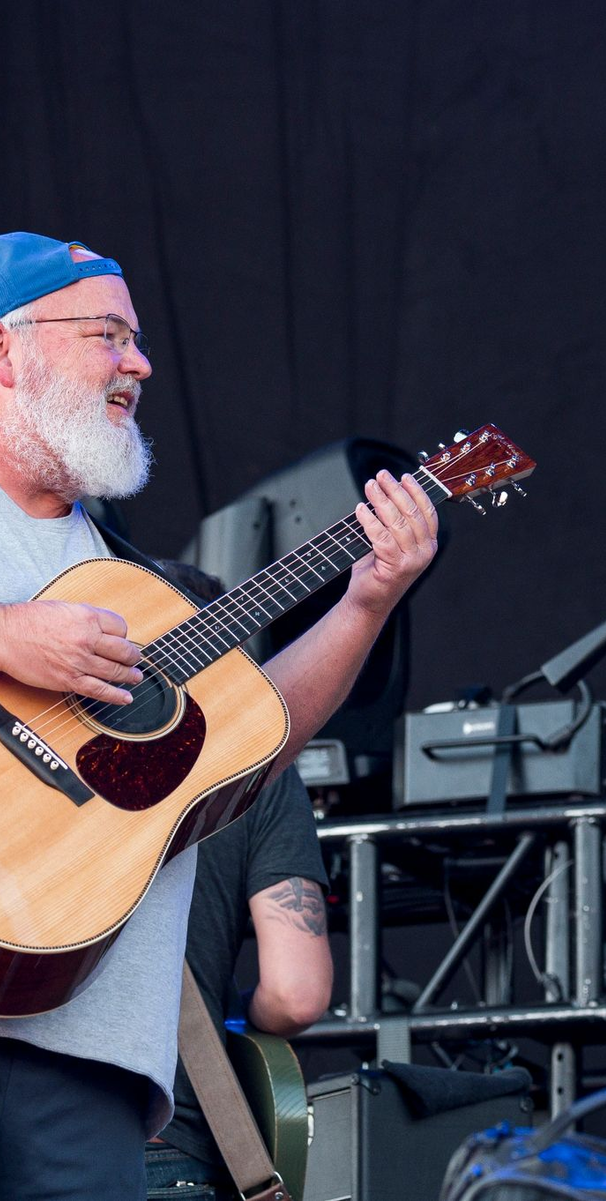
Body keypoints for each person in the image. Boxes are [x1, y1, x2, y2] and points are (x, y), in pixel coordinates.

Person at [0, 232, 438, 1199]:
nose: (140, 364)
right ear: (6, 353)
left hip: (86, 1052)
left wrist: (365, 601)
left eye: (140, 341)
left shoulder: (142, 588)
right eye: (109, 335)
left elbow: (257, 733)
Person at [142, 561, 333, 1201]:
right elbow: (296, 994)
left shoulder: (31, 768)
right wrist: (228, 1015)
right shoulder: (261, 774)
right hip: (168, 1144)